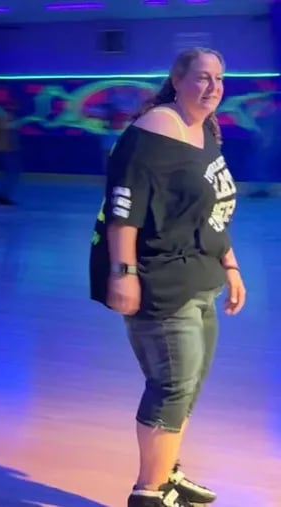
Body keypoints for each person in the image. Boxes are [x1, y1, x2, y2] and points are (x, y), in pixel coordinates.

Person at [88, 47, 246, 507]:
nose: (213, 86)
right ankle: (148, 493)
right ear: (177, 80)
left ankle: (167, 472)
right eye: (202, 77)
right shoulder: (155, 129)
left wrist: (230, 265)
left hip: (201, 280)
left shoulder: (205, 132)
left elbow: (213, 210)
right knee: (171, 386)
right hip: (161, 279)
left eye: (219, 78)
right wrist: (124, 272)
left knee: (187, 387)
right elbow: (124, 208)